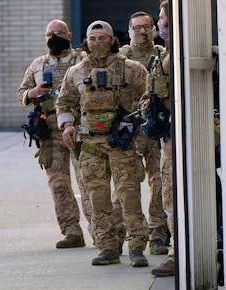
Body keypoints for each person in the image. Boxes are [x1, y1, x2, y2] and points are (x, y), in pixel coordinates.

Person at [56, 21, 151, 267]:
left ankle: (137, 245)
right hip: (90, 145)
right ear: (86, 41)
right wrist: (67, 126)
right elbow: (64, 102)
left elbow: (149, 97)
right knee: (97, 197)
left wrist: (138, 123)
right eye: (93, 38)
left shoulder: (131, 69)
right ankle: (107, 246)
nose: (97, 42)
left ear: (112, 40)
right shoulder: (76, 71)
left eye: (102, 38)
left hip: (121, 143)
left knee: (128, 194)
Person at [17, 19, 90, 249]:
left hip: (80, 128)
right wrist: (33, 92)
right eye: (50, 34)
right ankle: (71, 232)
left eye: (59, 33)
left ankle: (101, 232)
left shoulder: (82, 60)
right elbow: (21, 93)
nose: (54, 37)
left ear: (69, 35)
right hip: (50, 131)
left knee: (89, 181)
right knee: (58, 184)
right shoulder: (38, 64)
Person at [120, 11, 170, 256]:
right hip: (128, 132)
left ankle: (158, 232)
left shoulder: (162, 56)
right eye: (137, 27)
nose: (142, 31)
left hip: (154, 130)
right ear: (129, 30)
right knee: (126, 185)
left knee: (159, 182)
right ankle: (131, 234)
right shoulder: (120, 59)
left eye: (147, 27)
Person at [149, 0, 176, 278]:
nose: (160, 20)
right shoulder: (167, 53)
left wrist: (171, 133)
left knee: (173, 196)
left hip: (176, 137)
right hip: (168, 134)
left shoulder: (176, 55)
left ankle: (178, 254)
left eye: (162, 15)